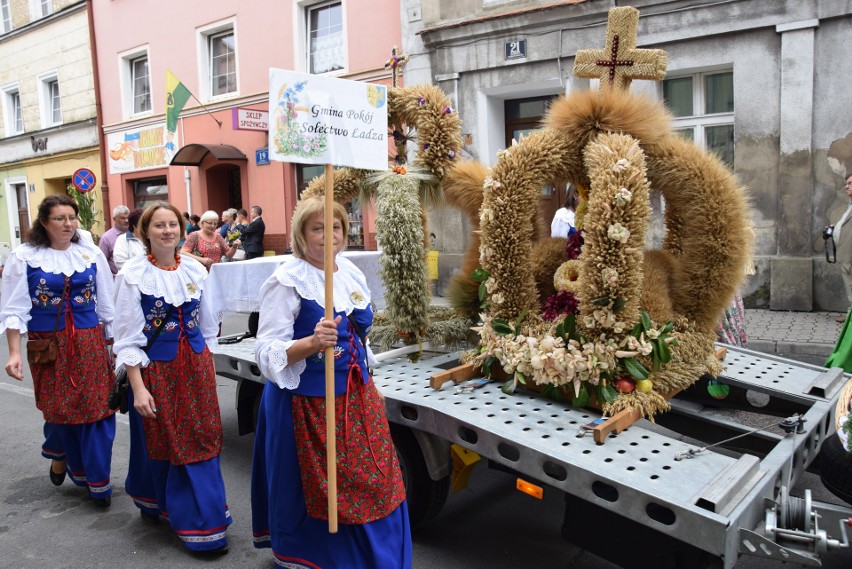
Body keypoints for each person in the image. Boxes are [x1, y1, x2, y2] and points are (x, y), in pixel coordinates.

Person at [251, 196, 411, 568]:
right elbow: (265, 352)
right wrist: (310, 343)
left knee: (376, 481)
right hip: (307, 405)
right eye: (317, 228)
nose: (328, 236)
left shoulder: (349, 273)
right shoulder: (286, 281)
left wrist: (370, 380)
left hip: (356, 397)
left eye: (335, 227)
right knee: (324, 491)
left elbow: (358, 338)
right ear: (301, 234)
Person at [112, 202, 231, 556]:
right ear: (144, 232)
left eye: (173, 225)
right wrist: (138, 388)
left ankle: (202, 520)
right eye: (159, 225)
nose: (167, 231)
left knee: (201, 437)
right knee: (165, 439)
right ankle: (164, 504)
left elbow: (208, 326)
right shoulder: (133, 274)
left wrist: (206, 366)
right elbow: (128, 339)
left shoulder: (195, 269)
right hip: (157, 371)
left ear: (182, 229)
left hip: (194, 367)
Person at [0, 194, 115, 507]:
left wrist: (115, 343)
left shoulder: (90, 254)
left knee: (97, 410)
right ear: (44, 223)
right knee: (59, 409)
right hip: (49, 344)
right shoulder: (24, 257)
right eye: (60, 218)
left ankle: (98, 482)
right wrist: (13, 353)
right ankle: (59, 452)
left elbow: (106, 304)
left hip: (90, 342)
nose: (68, 224)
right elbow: (14, 309)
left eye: (72, 218)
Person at [830, 173, 852, 323]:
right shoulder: (850, 205)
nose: (846, 186)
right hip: (846, 254)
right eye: (846, 183)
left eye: (850, 183)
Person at [99, 205, 130, 275]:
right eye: (122, 218)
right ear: (114, 219)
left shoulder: (135, 235)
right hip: (115, 281)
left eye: (128, 218)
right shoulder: (106, 238)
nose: (126, 221)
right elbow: (101, 262)